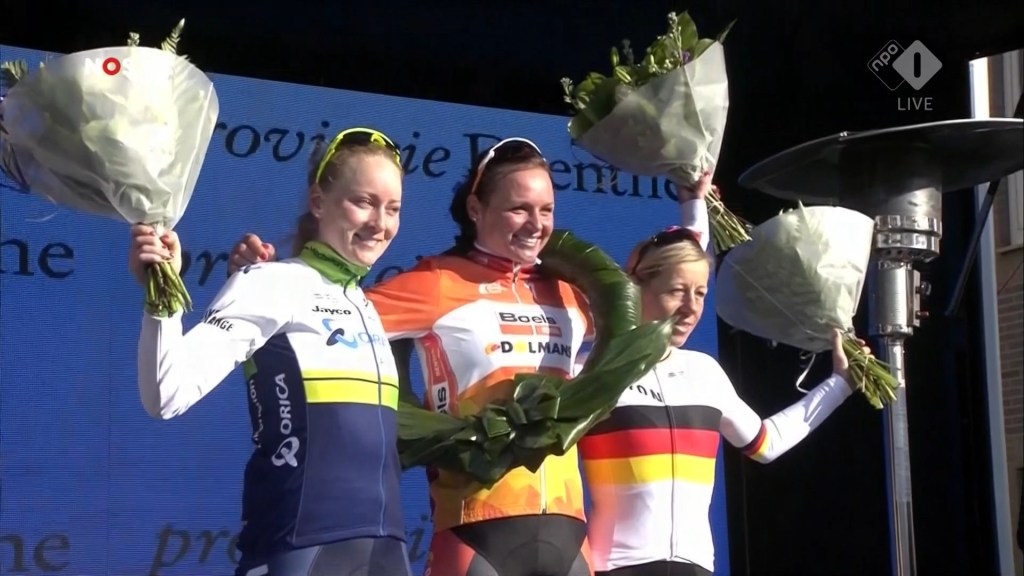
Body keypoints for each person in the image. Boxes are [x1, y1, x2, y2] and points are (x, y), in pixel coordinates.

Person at [226, 137, 709, 576]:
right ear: (476, 208)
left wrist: (694, 209)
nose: (536, 224)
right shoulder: (437, 282)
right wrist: (262, 277)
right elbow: (326, 311)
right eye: (519, 209)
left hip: (568, 532)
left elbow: (664, 296)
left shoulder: (569, 293)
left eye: (546, 209)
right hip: (476, 527)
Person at [131, 127, 413, 576]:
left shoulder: (364, 306)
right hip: (298, 547)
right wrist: (162, 296)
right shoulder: (271, 282)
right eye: (364, 202)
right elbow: (166, 393)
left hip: (387, 550)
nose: (381, 223)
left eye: (392, 208)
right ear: (318, 201)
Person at [576, 183, 873, 576]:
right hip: (618, 567)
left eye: (700, 293)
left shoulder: (704, 373)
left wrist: (840, 384)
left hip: (698, 568)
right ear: (636, 287)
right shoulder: (593, 367)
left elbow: (766, 443)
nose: (691, 308)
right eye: (676, 292)